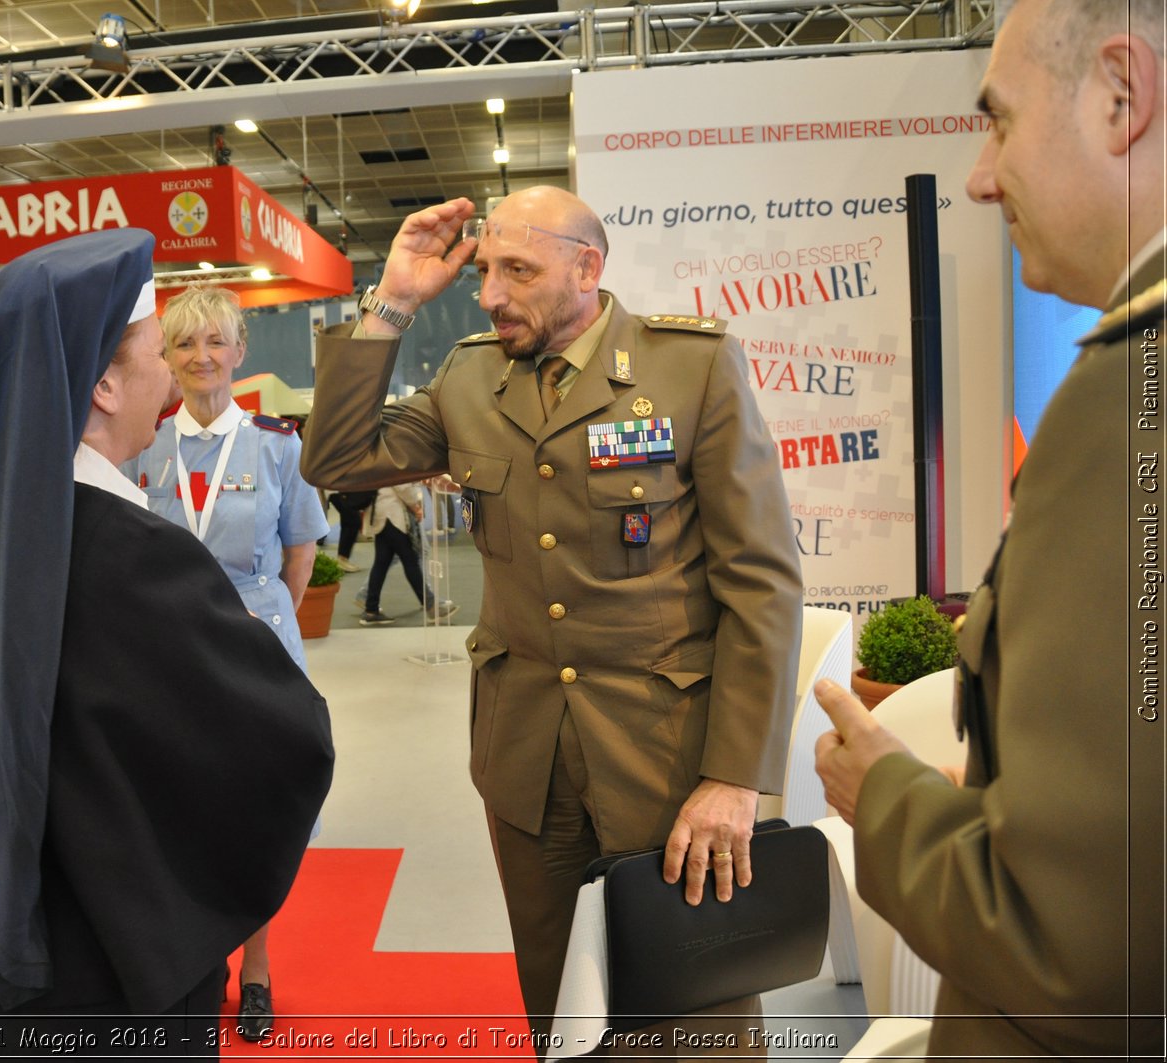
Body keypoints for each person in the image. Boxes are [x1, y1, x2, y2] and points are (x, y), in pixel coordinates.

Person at [301, 186, 803, 1051]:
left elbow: (761, 580)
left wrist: (737, 776)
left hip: (668, 758)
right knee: (558, 1005)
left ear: (586, 268)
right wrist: (393, 301)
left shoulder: (690, 367)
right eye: (485, 271)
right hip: (525, 758)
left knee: (698, 1011)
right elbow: (338, 456)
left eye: (517, 271)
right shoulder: (468, 375)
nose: (491, 293)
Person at [0, 230, 333, 1058]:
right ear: (100, 382)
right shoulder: (130, 552)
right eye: (153, 351)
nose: (171, 372)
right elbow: (281, 742)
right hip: (79, 974)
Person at [813, 1, 1165, 1059]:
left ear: (1120, 95)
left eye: (999, 122)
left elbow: (1078, 947)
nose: (977, 175)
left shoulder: (1126, 405)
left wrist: (883, 796)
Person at [126, 284, 330, 1041]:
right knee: (176, 811)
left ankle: (259, 970)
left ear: (240, 352)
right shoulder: (145, 443)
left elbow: (300, 554)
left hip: (255, 646)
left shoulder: (280, 443)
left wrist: (259, 618)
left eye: (216, 342)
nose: (202, 357)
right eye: (184, 344)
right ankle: (193, 962)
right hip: (169, 651)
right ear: (167, 357)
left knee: (252, 812)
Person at [358, 482, 458, 626]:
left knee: (382, 563)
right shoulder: (393, 459)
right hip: (392, 515)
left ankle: (370, 609)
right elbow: (402, 486)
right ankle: (431, 606)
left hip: (382, 514)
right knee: (410, 560)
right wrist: (416, 506)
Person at [326, 489, 374, 571]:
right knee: (352, 520)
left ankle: (343, 558)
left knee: (350, 520)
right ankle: (342, 558)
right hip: (337, 490)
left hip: (339, 490)